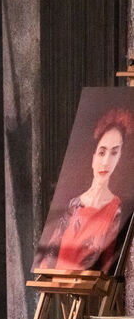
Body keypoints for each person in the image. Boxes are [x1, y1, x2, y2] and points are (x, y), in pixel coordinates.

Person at [39, 108, 132, 272]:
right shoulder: (73, 204)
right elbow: (48, 255)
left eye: (114, 153)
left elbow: (106, 268)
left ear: (119, 158)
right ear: (93, 157)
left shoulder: (116, 211)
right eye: (102, 152)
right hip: (60, 287)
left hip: (90, 290)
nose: (105, 162)